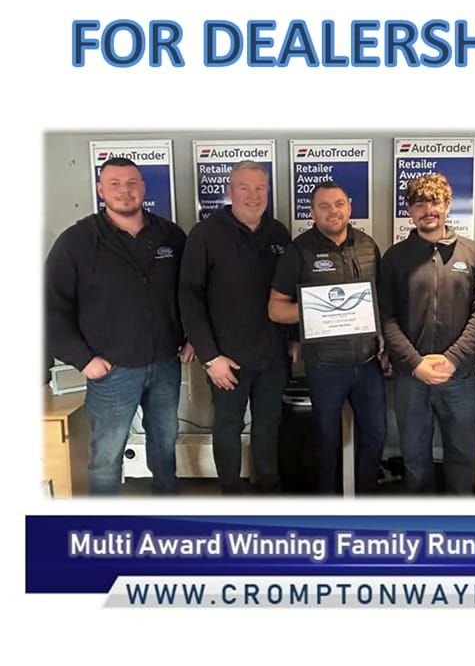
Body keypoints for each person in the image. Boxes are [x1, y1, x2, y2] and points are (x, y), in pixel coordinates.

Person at [45, 157, 192, 495]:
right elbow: (51, 308)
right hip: (111, 371)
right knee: (107, 457)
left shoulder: (170, 236)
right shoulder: (77, 241)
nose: (124, 191)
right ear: (101, 190)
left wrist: (192, 338)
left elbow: (190, 293)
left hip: (165, 364)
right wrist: (83, 360)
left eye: (131, 183)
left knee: (165, 447)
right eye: (115, 184)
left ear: (143, 188)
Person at [179, 161, 291, 494]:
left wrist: (295, 339)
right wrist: (210, 357)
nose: (253, 195)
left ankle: (268, 491)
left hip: (273, 356)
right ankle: (230, 495)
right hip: (227, 359)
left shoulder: (279, 233)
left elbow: (291, 290)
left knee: (269, 426)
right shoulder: (206, 234)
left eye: (260, 188)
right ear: (230, 191)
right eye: (244, 187)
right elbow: (189, 297)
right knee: (228, 427)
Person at [268, 181, 386, 495]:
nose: (332, 211)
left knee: (376, 436)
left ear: (349, 206)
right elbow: (275, 309)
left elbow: (379, 302)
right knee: (326, 440)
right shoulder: (298, 251)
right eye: (323, 206)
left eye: (338, 204)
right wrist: (319, 309)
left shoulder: (368, 246)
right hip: (325, 366)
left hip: (368, 362)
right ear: (312, 212)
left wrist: (385, 344)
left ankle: (366, 501)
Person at [380, 173, 475, 494]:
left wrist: (453, 359)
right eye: (419, 204)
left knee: (463, 454)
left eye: (435, 203)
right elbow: (386, 316)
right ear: (409, 210)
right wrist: (415, 363)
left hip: (459, 376)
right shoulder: (395, 258)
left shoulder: (472, 254)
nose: (428, 210)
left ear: (447, 205)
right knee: (415, 456)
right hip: (410, 376)